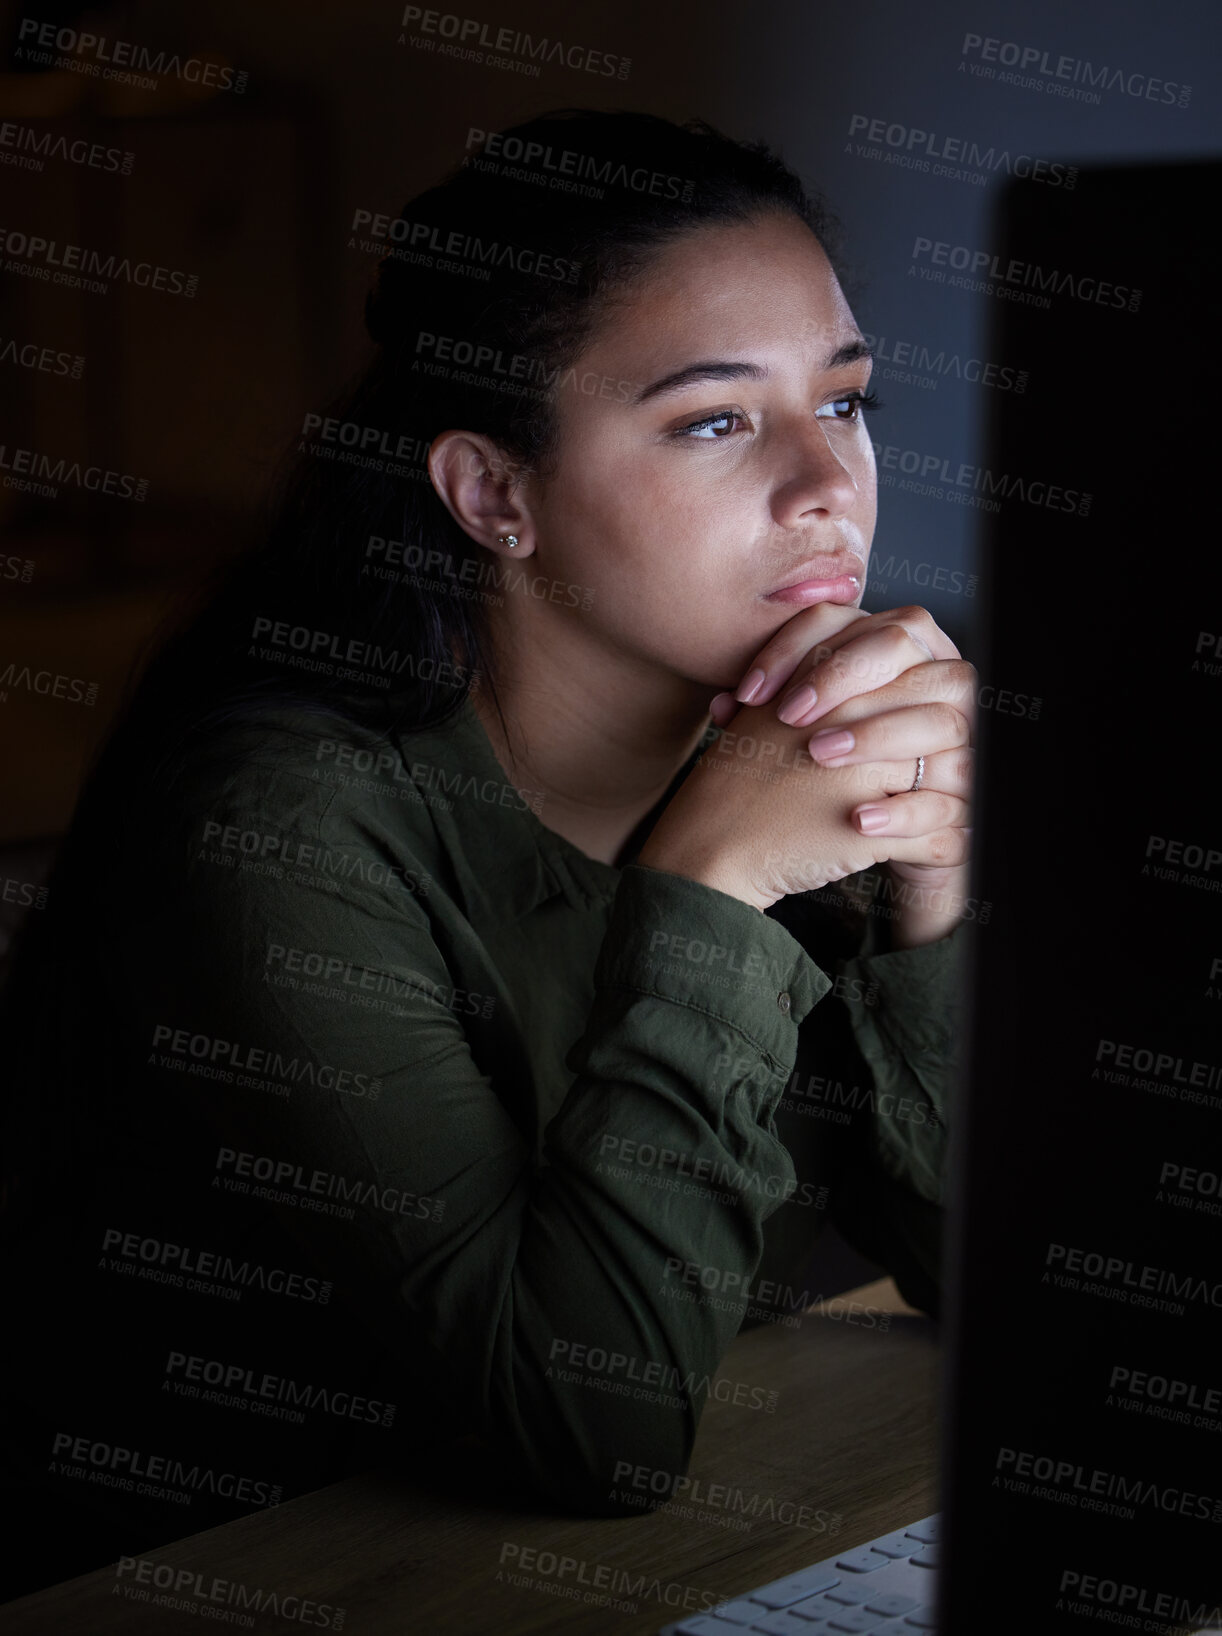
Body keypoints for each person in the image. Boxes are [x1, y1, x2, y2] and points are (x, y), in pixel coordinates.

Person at [0, 107, 973, 1593]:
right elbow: (580, 1430)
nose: (826, 485)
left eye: (843, 402)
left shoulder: (804, 736)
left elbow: (1016, 1293)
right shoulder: (281, 825)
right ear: (492, 495)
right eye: (716, 420)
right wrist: (707, 889)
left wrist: (933, 899)